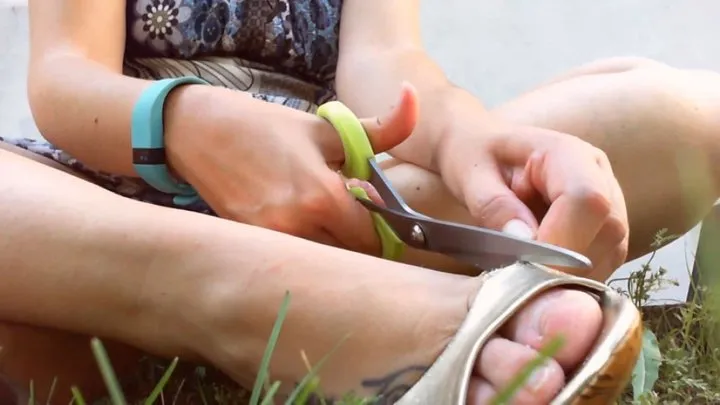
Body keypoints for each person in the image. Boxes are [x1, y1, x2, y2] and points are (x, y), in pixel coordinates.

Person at [0, 0, 718, 403]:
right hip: (102, 206)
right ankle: (270, 296)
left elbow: (387, 66)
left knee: (675, 113)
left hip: (342, 209)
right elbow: (64, 78)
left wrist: (470, 138)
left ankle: (314, 302)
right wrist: (187, 121)